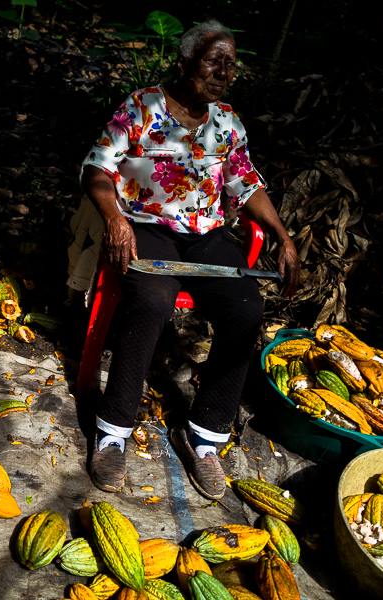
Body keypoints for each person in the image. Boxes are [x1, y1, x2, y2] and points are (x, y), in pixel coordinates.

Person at [78, 20, 300, 500]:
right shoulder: (141, 107)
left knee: (246, 310)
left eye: (230, 65)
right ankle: (112, 431)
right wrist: (115, 219)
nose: (223, 73)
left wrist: (282, 236)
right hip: (146, 225)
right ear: (183, 63)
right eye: (212, 61)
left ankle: (203, 437)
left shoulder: (227, 122)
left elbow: (247, 184)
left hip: (205, 234)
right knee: (152, 300)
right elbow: (97, 166)